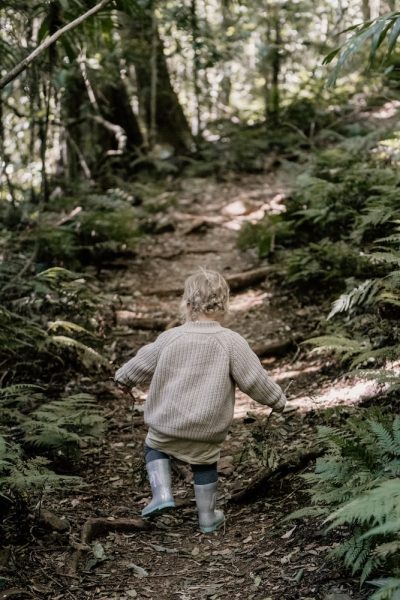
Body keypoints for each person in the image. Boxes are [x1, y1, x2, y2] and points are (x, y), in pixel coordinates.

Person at [115, 269, 287, 533]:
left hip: (166, 424)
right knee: (205, 463)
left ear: (187, 302)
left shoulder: (171, 337)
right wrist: (277, 400)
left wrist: (123, 378)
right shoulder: (231, 342)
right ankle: (207, 517)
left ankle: (162, 494)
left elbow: (142, 364)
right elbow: (254, 380)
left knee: (154, 446)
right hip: (207, 428)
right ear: (225, 303)